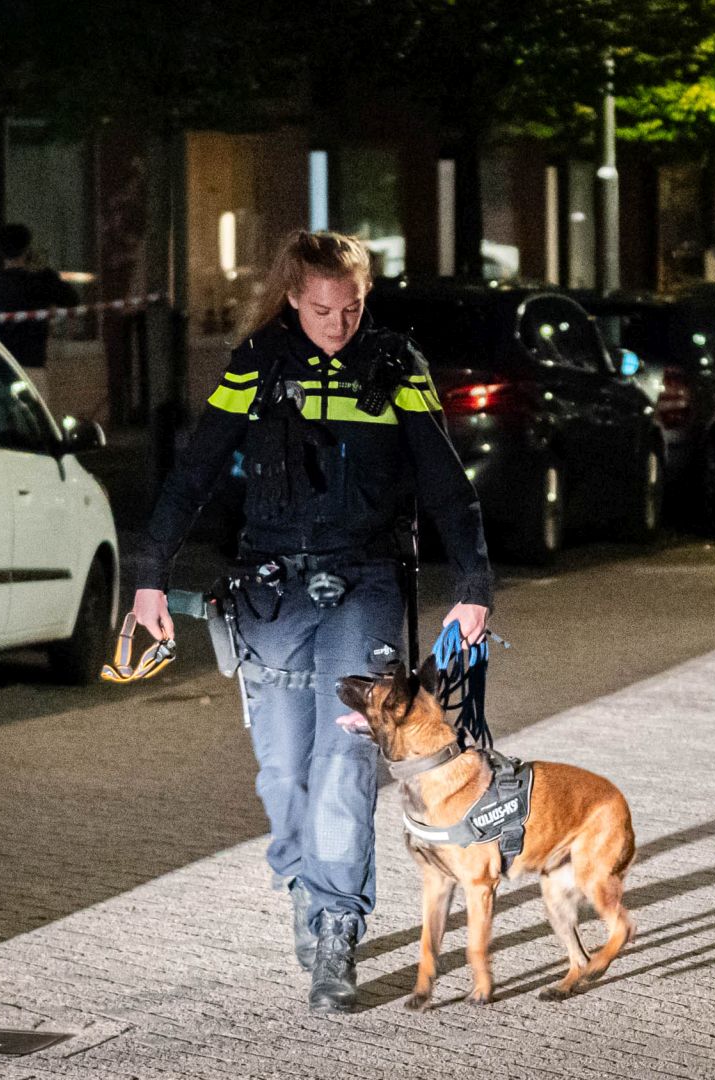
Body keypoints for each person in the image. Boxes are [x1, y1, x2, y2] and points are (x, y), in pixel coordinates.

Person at [129, 229, 494, 1013]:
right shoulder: (258, 365)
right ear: (294, 296)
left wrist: (474, 582)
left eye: (352, 307)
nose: (338, 324)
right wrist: (150, 577)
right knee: (285, 769)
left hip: (364, 583)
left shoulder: (396, 366)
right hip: (272, 592)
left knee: (343, 761)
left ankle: (336, 924)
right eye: (323, 308)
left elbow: (443, 479)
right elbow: (194, 471)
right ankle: (303, 879)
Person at [0, 223, 79, 400]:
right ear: (27, 249)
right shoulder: (42, 281)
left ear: (1, 253)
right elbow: (71, 299)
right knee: (33, 425)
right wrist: (43, 269)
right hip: (32, 368)